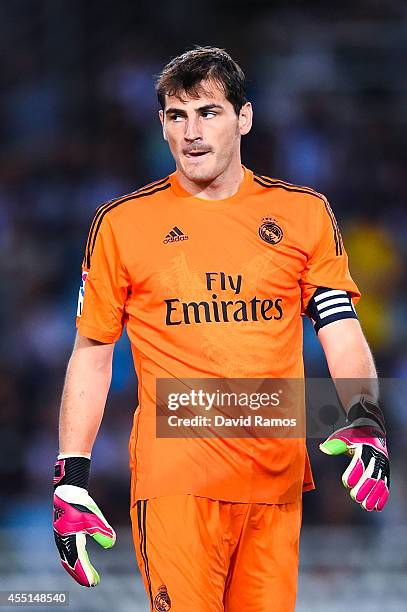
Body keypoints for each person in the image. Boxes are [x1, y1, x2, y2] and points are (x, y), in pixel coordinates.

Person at [52, 47, 390, 611]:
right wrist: (72, 474)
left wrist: (365, 413)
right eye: (176, 116)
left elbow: (339, 325)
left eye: (208, 112)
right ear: (161, 125)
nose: (192, 132)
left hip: (274, 478)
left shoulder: (304, 213)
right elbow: (92, 351)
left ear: (245, 117)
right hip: (177, 478)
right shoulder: (122, 224)